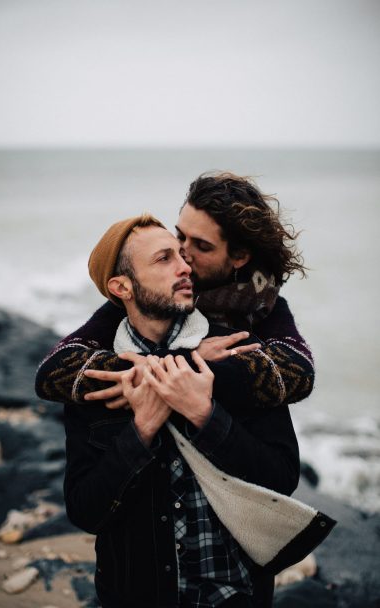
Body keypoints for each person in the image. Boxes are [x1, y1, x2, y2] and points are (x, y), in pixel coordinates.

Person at [59, 216, 334, 608]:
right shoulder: (98, 379)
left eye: (183, 254)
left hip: (237, 595)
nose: (185, 265)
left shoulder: (238, 353)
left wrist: (207, 417)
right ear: (122, 287)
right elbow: (85, 511)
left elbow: (282, 478)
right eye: (164, 258)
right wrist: (139, 434)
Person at [35, 172, 314, 411]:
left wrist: (168, 374)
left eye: (201, 246)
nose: (183, 254)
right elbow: (53, 371)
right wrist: (188, 361)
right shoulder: (157, 297)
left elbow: (297, 372)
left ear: (239, 255)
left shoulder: (263, 304)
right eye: (180, 236)